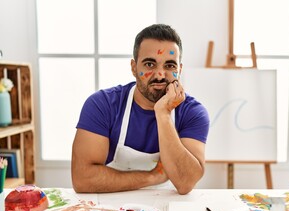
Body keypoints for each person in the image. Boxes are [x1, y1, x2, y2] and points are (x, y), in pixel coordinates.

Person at [71, 24, 210, 194]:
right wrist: (152, 177)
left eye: (169, 66)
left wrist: (163, 114)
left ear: (179, 70)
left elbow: (185, 182)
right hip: (110, 210)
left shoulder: (193, 113)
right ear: (134, 67)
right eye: (150, 64)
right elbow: (82, 180)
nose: (160, 74)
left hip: (168, 206)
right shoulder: (102, 105)